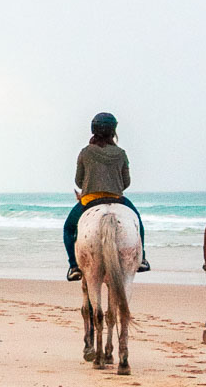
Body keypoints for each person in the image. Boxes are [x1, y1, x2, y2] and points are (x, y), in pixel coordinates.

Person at [64, 112, 150, 281]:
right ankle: (142, 259)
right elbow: (126, 182)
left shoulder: (85, 152)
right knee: (138, 223)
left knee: (68, 229)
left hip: (89, 199)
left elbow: (78, 181)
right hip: (117, 199)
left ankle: (73, 266)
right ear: (113, 131)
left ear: (93, 129)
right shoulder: (121, 153)